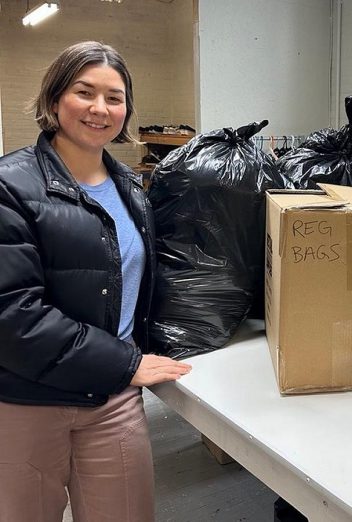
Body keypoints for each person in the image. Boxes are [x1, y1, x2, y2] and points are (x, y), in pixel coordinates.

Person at [0, 41, 192, 522]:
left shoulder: (130, 187)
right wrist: (127, 362)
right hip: (28, 400)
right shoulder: (10, 186)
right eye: (84, 92)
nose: (99, 109)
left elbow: (138, 285)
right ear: (54, 99)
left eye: (114, 97)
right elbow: (12, 317)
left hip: (112, 399)